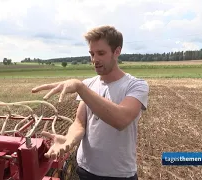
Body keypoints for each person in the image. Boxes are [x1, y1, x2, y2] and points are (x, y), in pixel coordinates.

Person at [31, 25, 149, 180]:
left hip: (119, 174)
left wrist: (80, 87)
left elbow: (121, 120)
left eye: (101, 53)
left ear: (117, 52)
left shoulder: (136, 85)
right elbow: (80, 123)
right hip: (86, 170)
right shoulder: (89, 84)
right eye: (92, 54)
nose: (94, 60)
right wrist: (69, 139)